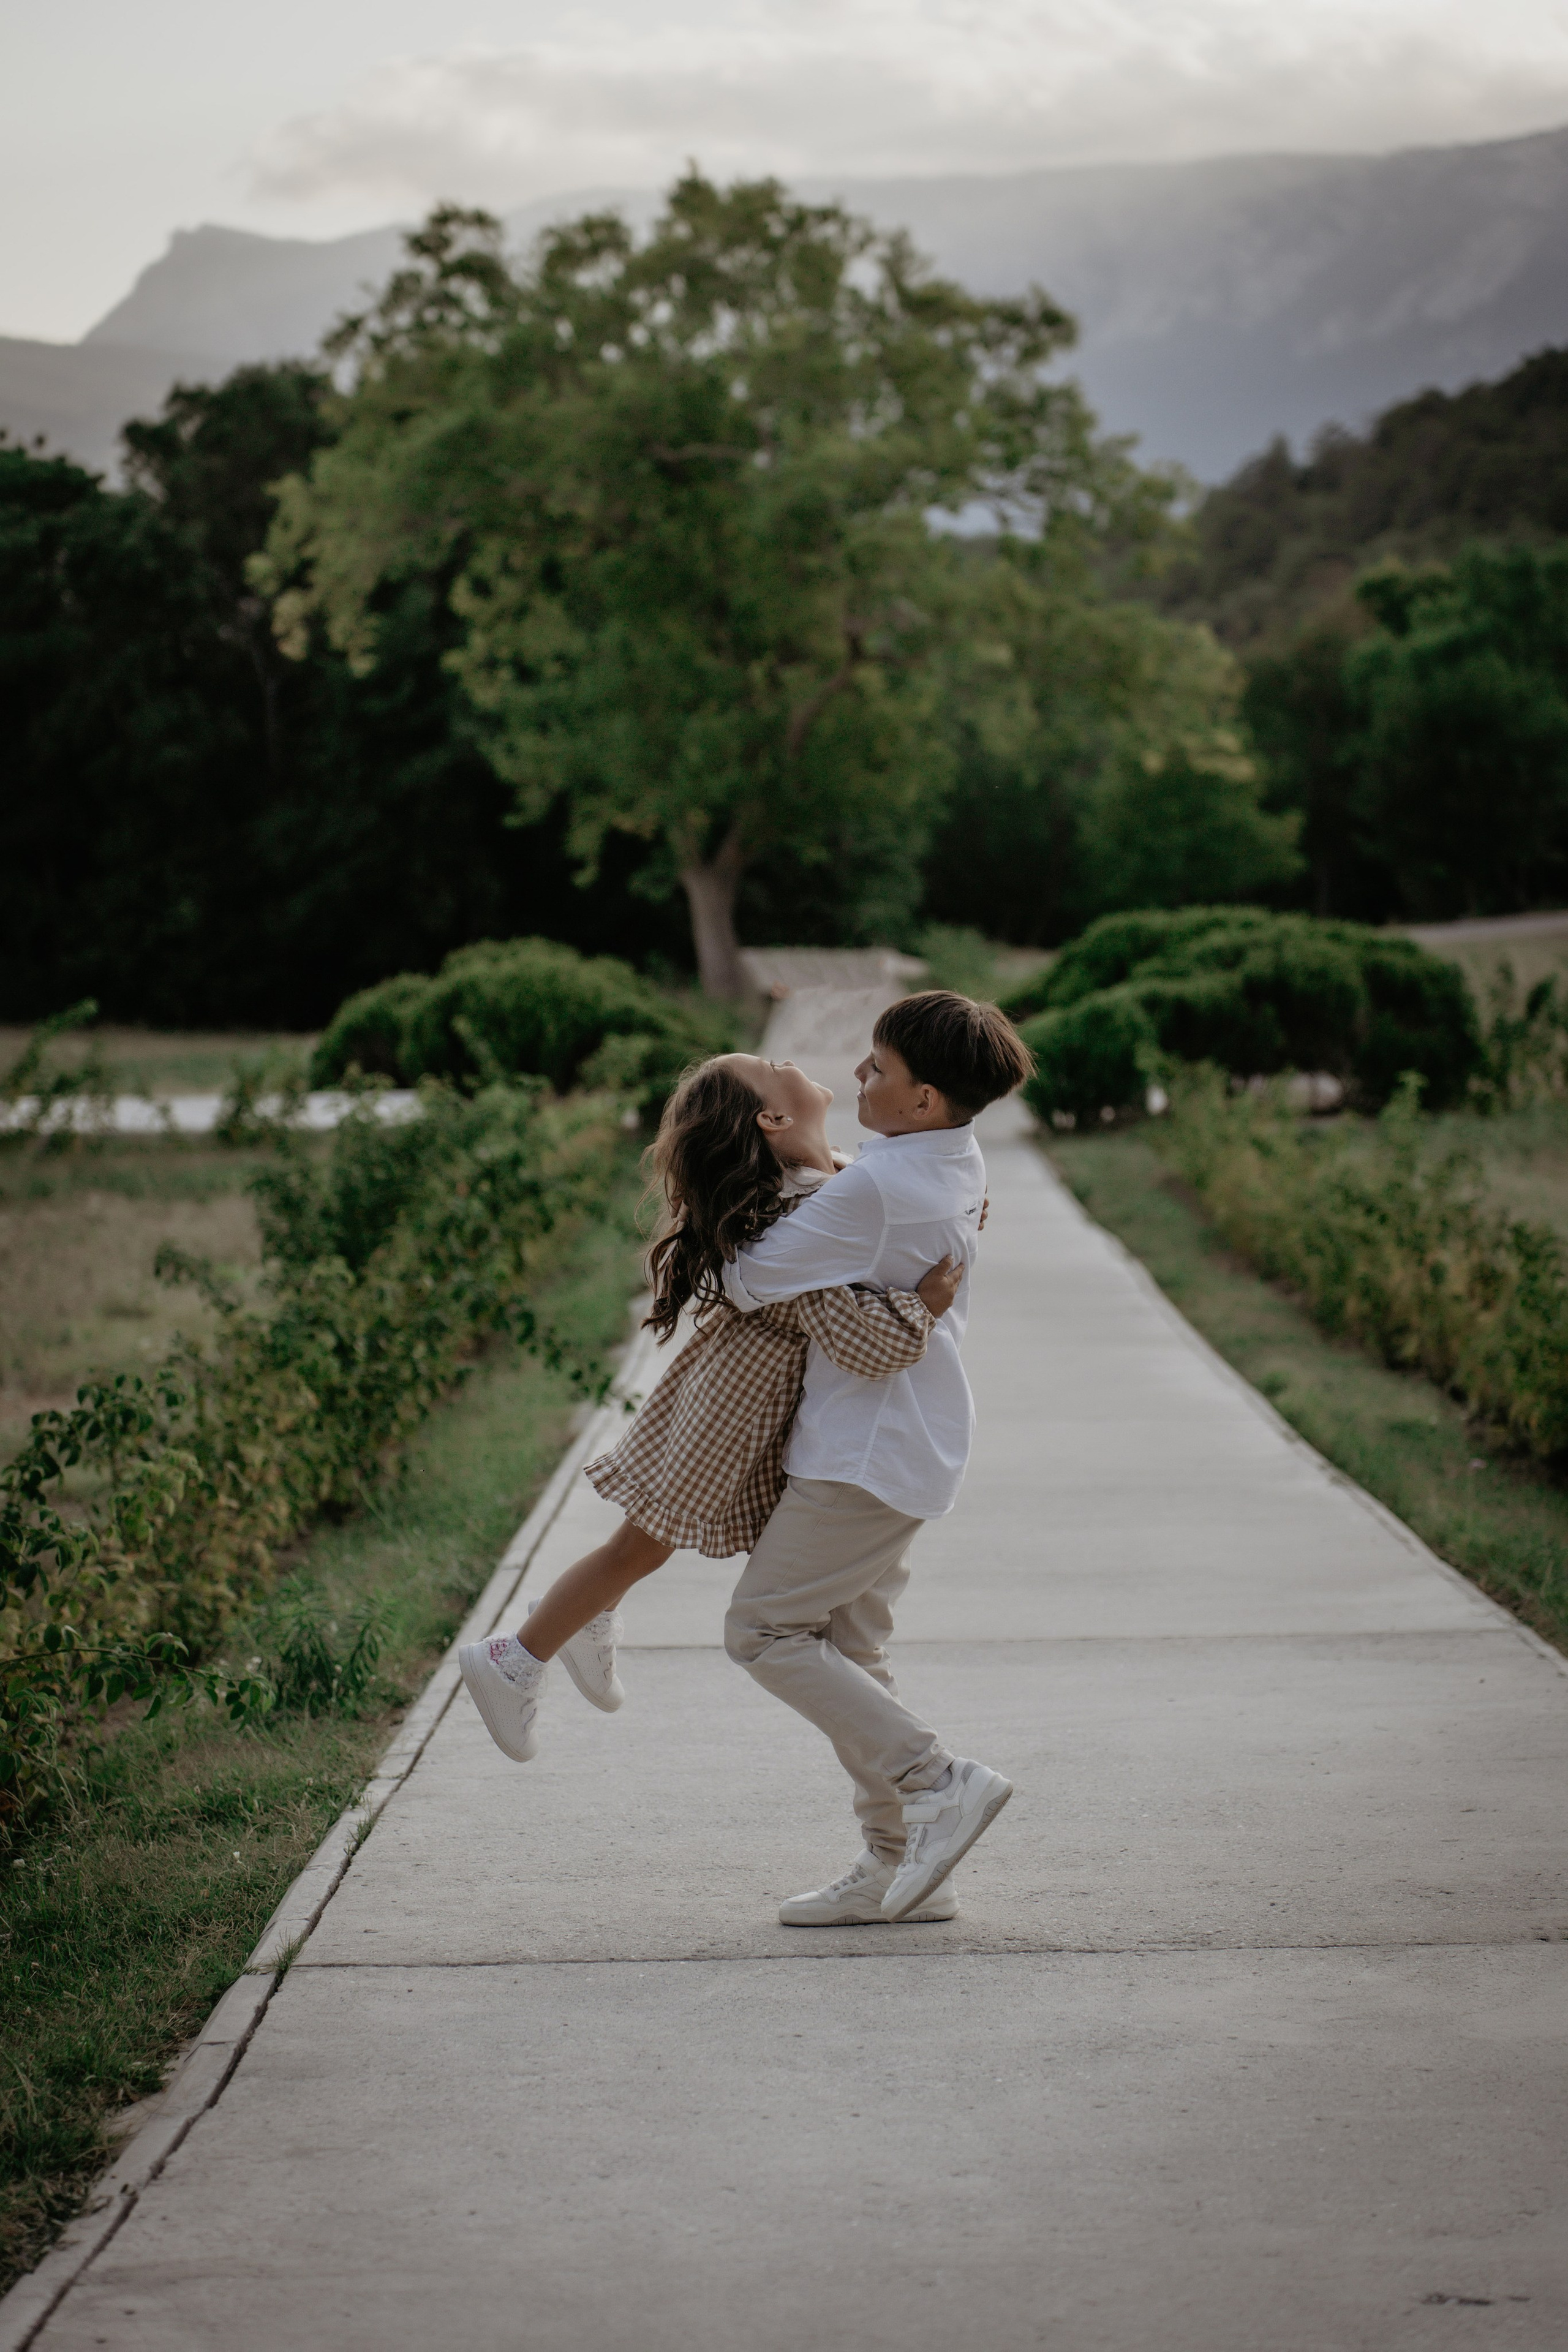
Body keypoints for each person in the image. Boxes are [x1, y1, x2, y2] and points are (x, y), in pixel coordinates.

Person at [457, 1052, 966, 1776]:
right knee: (642, 1544)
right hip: (734, 1404)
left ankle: (576, 1622)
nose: (786, 1058)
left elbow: (875, 1194)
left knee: (641, 1545)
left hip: (740, 1394)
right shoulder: (799, 1218)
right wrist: (925, 1305)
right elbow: (862, 1341)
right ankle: (514, 1659)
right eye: (770, 1063)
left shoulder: (829, 1185)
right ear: (774, 1119)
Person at [720, 990, 1035, 1928]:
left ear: (926, 1099)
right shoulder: (944, 1158)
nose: (859, 1075)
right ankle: (899, 1867)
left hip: (863, 1452)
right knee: (853, 1654)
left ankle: (940, 1780)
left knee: (763, 1633)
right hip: (901, 1443)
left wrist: (778, 1180)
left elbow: (749, 1277)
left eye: (880, 1069)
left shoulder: (880, 1185)